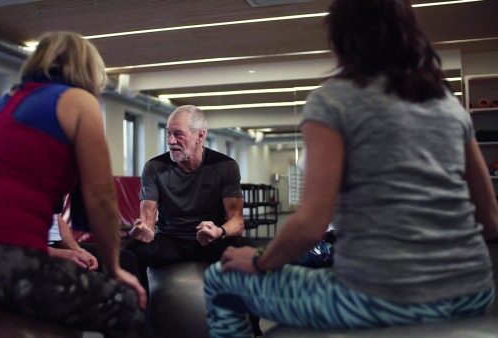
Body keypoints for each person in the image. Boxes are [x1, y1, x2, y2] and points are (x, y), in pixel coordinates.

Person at [204, 1, 498, 337]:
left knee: (219, 279)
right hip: (472, 291)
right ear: (411, 33)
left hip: (376, 297)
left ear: (341, 37)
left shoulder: (333, 100)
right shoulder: (449, 104)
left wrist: (258, 261)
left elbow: (311, 226)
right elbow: (489, 220)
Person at [0, 31, 146, 337]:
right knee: (123, 302)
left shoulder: (1, 106)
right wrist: (114, 271)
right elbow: (101, 197)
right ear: (88, 70)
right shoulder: (79, 101)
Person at [123, 105, 262, 334]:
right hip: (171, 241)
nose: (170, 140)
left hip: (210, 241)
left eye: (178, 134)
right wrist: (145, 228)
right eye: (168, 133)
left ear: (200, 135)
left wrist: (218, 231)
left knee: (248, 251)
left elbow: (237, 221)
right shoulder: (155, 167)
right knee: (130, 251)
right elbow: (147, 215)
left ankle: (252, 329)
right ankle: (139, 327)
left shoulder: (224, 166)